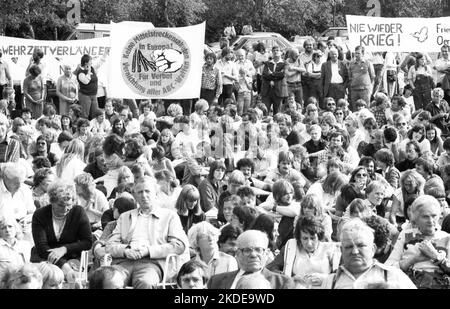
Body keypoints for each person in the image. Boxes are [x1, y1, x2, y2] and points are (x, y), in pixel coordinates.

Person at [105, 176, 189, 289]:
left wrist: (148, 251)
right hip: (123, 262)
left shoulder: (169, 216)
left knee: (145, 282)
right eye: (140, 192)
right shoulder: (125, 217)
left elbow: (179, 246)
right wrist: (125, 251)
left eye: (147, 191)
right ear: (135, 196)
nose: (144, 195)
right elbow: (110, 245)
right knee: (108, 280)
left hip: (152, 264)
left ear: (155, 193)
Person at [321, 218, 416, 289]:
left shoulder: (393, 276)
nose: (355, 251)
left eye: (361, 245)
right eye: (349, 247)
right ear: (341, 250)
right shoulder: (330, 283)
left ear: (373, 249)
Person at [31, 181, 93, 283]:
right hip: (45, 257)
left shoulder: (78, 211)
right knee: (51, 278)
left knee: (74, 280)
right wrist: (63, 265)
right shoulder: (40, 215)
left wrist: (64, 249)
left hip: (72, 257)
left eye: (68, 205)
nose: (65, 209)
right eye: (60, 205)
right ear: (51, 201)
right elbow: (42, 247)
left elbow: (87, 242)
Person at [385, 195, 450, 289]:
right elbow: (387, 268)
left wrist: (436, 257)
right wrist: (413, 259)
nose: (431, 221)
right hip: (409, 284)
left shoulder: (447, 237)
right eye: (425, 217)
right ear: (415, 219)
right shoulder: (405, 235)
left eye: (434, 216)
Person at [267, 216, 341, 288]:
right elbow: (270, 268)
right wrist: (290, 279)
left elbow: (340, 277)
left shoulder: (330, 249)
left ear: (319, 236)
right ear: (299, 238)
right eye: (305, 238)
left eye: (313, 238)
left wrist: (326, 279)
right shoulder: (291, 247)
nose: (309, 243)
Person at [207, 230, 295, 289]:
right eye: (247, 250)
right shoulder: (216, 282)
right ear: (237, 254)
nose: (253, 254)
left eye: (258, 250)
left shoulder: (282, 283)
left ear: (266, 253)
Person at [261, 46, 288, 116]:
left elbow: (283, 75)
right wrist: (276, 75)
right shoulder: (267, 63)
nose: (276, 52)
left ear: (281, 52)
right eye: (274, 50)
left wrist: (272, 74)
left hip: (279, 90)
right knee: (265, 111)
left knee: (278, 113)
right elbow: (265, 75)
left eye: (277, 50)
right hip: (267, 90)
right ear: (272, 53)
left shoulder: (284, 63)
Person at [76, 54, 103, 119]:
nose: (92, 62)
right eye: (90, 61)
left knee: (95, 113)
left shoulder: (92, 68)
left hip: (93, 95)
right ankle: (83, 127)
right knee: (85, 114)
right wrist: (88, 72)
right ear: (86, 62)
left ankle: (93, 127)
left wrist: (105, 54)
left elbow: (100, 63)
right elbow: (86, 82)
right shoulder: (80, 72)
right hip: (85, 95)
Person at [348, 46, 375, 110]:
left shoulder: (368, 63)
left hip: (365, 90)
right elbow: (350, 77)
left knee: (366, 108)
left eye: (358, 53)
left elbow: (372, 77)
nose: (356, 55)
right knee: (355, 108)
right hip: (354, 90)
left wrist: (370, 88)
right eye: (355, 53)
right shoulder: (351, 64)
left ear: (363, 54)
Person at [235, 49, 255, 115]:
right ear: (236, 56)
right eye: (239, 56)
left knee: (247, 108)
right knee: (239, 108)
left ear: (245, 55)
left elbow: (253, 72)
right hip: (239, 88)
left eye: (242, 56)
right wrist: (240, 76)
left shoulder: (249, 62)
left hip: (248, 86)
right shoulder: (235, 64)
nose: (240, 57)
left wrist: (246, 73)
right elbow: (235, 75)